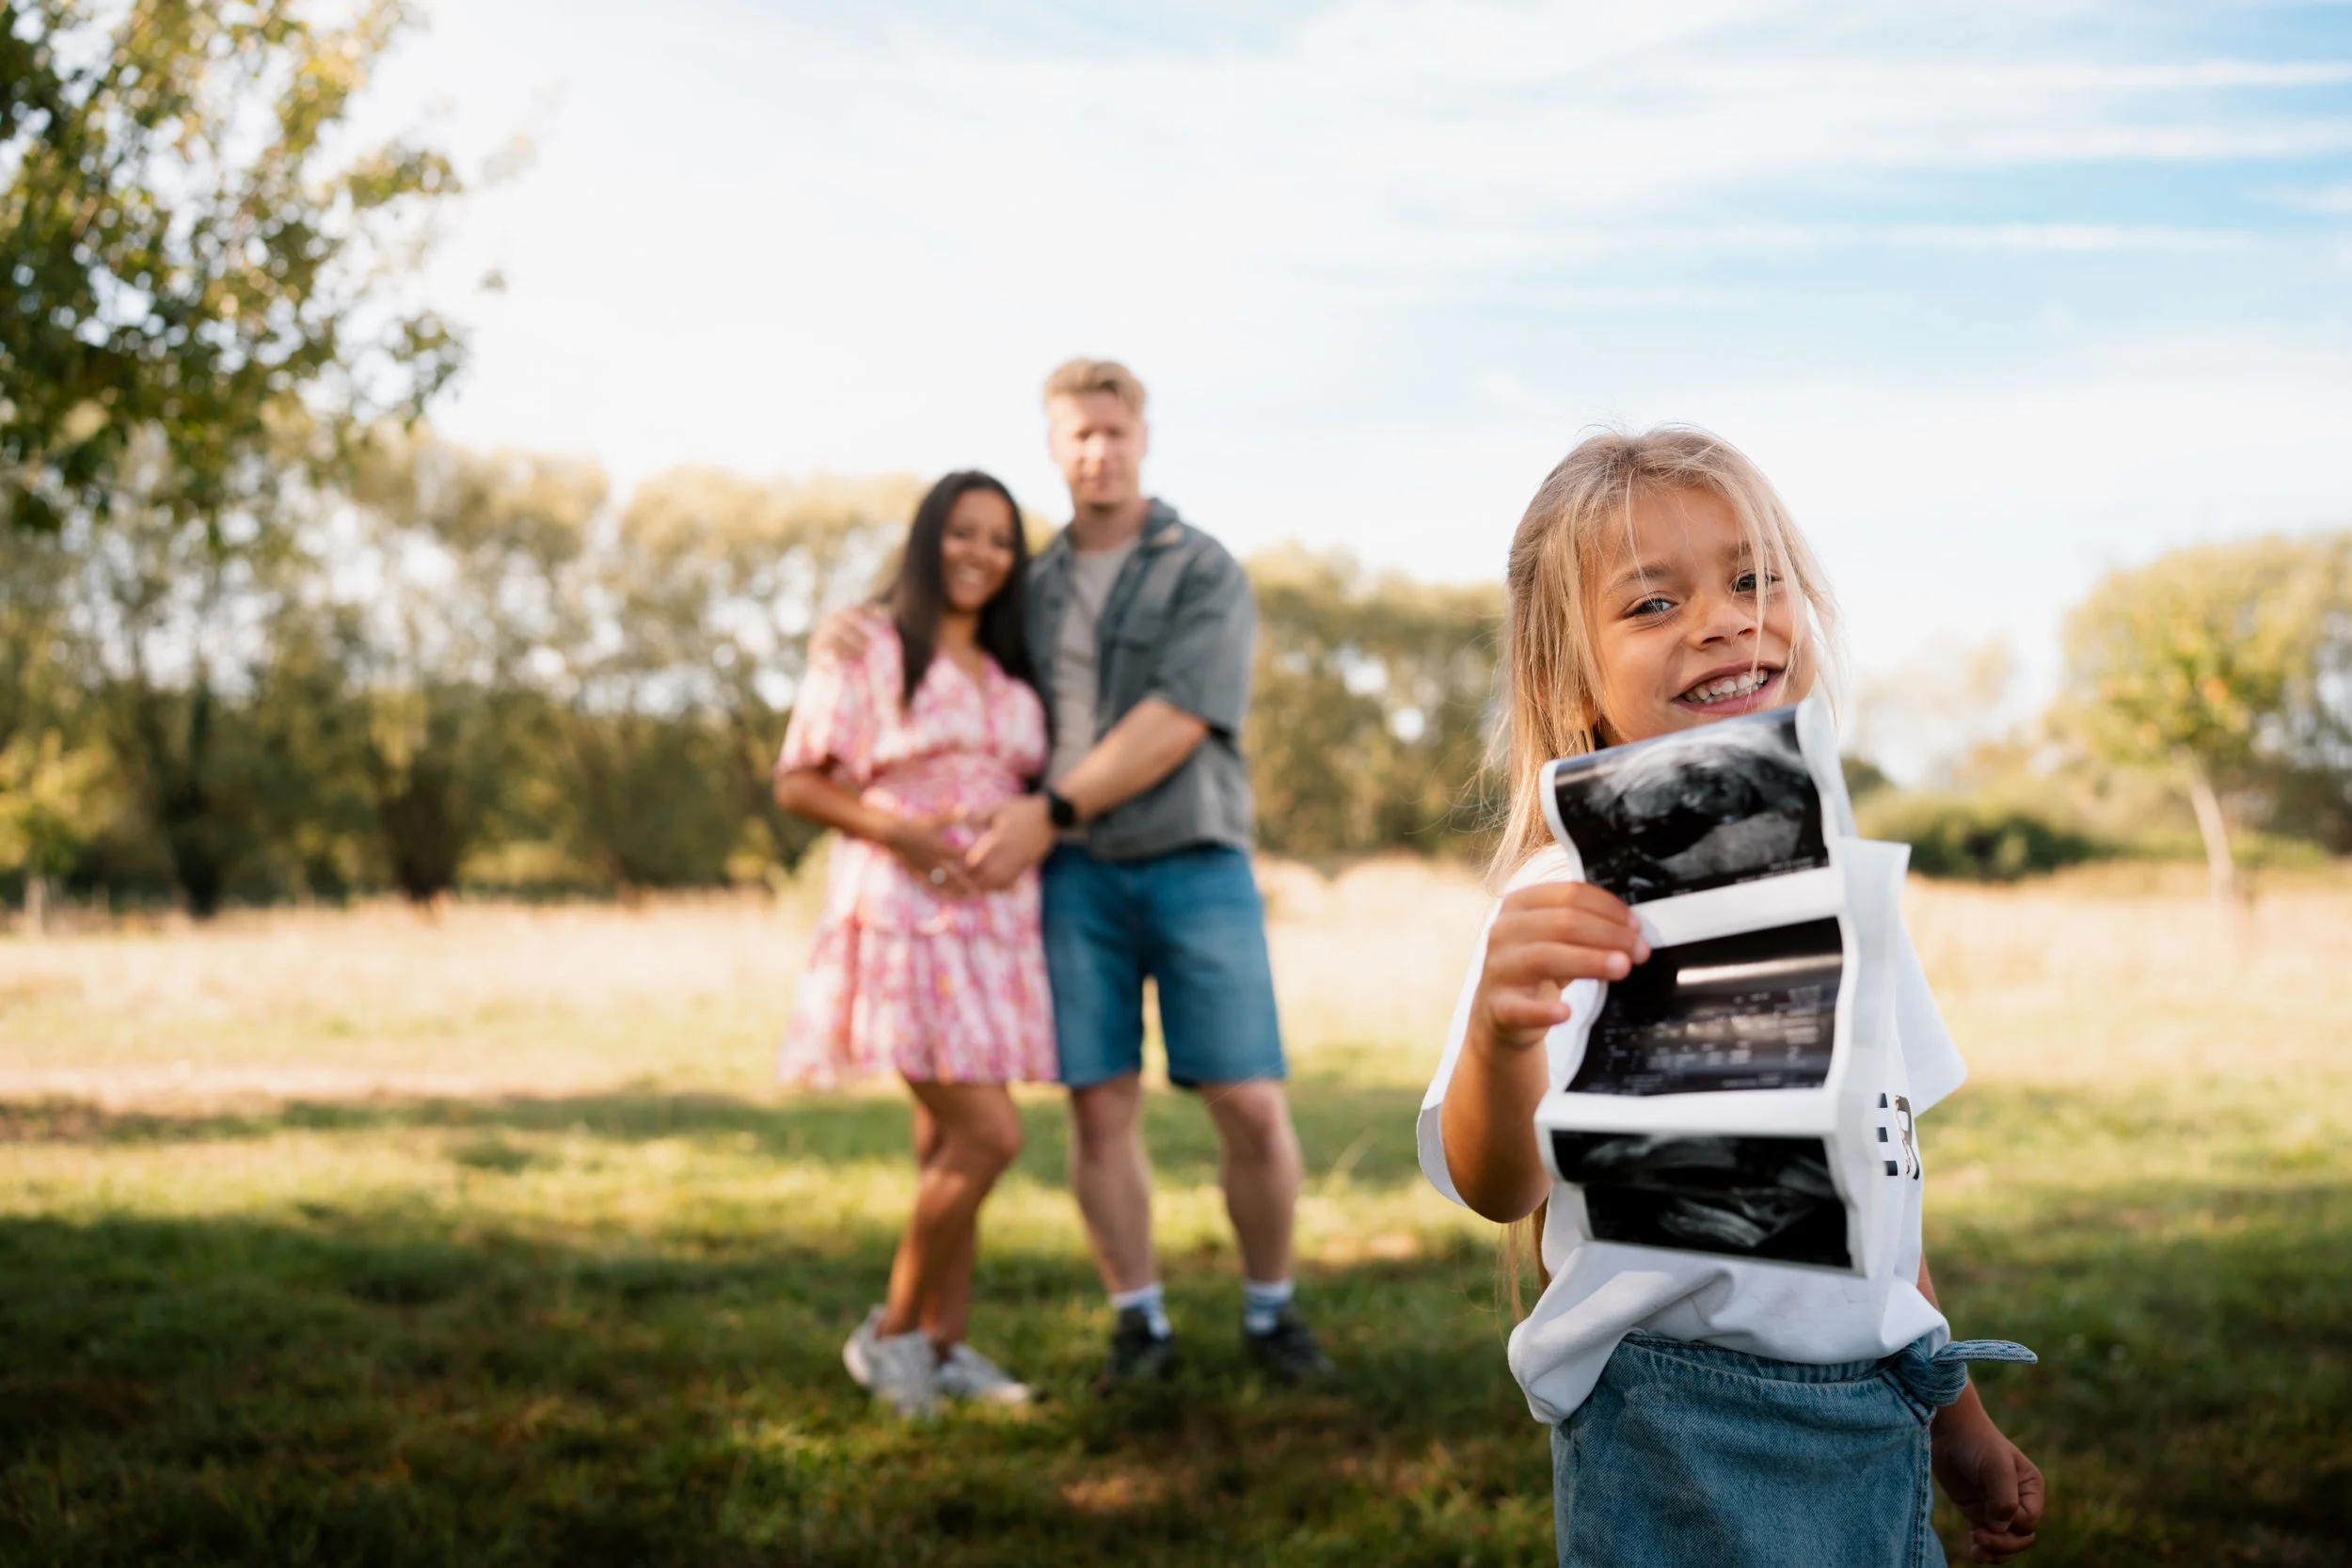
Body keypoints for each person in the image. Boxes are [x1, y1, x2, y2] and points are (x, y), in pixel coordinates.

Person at [1421, 427, 2044, 1566]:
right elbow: (1493, 1181)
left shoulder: (1845, 885)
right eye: (1652, 604)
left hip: (1871, 1417)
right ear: (1573, 678)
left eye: (1753, 579)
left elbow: (1882, 1182)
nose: (1722, 618)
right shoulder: (1567, 894)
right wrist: (1500, 1032)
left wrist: (1955, 1414)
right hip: (1672, 1427)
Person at [820, 359, 1334, 1387]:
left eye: (1113, 429)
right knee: (1098, 1107)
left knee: (1245, 1098)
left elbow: (1177, 717)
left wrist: (1046, 811)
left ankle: (1271, 1313)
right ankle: (1137, 1323)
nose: (1097, 449)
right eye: (1077, 435)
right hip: (1070, 880)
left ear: (1142, 435)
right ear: (1052, 448)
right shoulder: (1033, 580)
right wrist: (850, 622)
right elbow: (941, 624)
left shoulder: (1202, 568)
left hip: (1193, 858)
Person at [773, 469, 1055, 1418]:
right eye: (962, 532)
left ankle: (942, 1342)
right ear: (928, 537)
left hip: (995, 926)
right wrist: (899, 830)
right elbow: (799, 781)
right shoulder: (868, 647)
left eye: (999, 539)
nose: (980, 552)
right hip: (900, 913)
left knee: (947, 1139)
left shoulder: (1017, 671)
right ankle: (890, 1333)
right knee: (989, 1133)